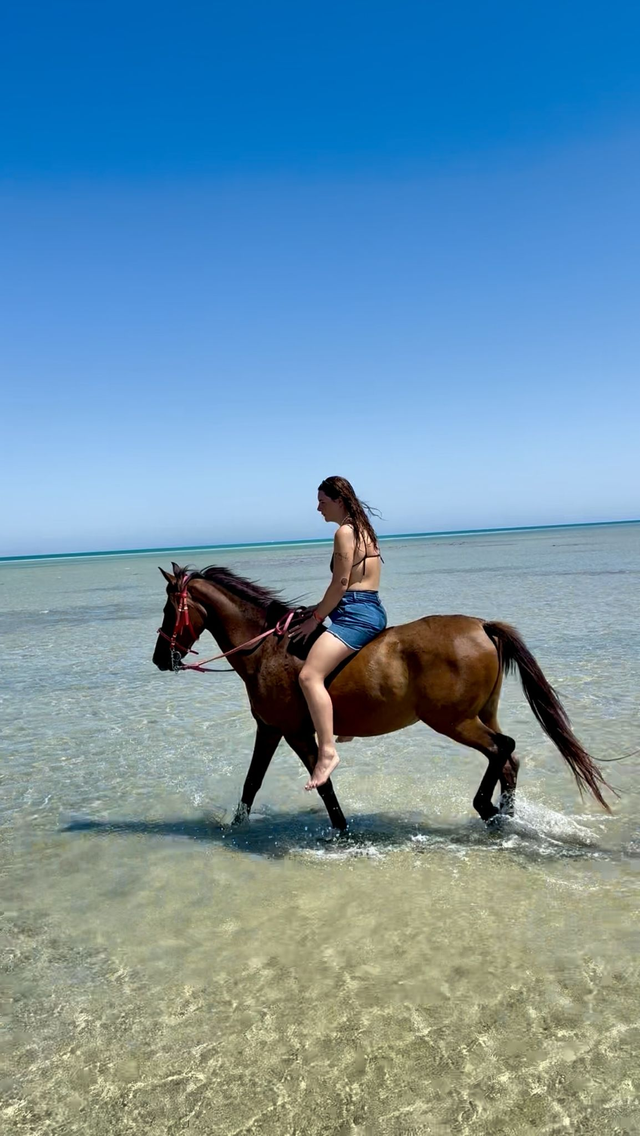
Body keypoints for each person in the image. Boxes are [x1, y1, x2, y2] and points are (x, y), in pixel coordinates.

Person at [289, 475, 387, 789]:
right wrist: (318, 608)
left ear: (339, 500)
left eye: (322, 501)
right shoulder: (363, 529)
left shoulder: (344, 532)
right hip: (369, 607)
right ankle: (350, 721)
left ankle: (327, 752)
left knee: (308, 676)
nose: (318, 508)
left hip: (355, 615)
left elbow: (341, 584)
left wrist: (316, 618)